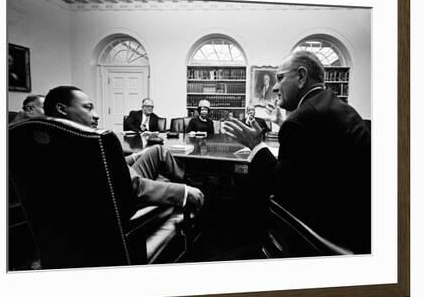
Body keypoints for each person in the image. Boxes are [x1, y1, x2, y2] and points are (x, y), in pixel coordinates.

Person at [223, 51, 370, 254]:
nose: (275, 87)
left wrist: (255, 145)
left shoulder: (302, 119)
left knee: (251, 191)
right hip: (359, 223)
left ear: (301, 77)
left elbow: (280, 188)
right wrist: (282, 123)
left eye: (280, 78)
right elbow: (316, 155)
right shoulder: (336, 106)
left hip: (325, 232)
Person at [43, 86, 205, 211]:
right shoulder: (91, 141)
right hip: (120, 201)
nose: (97, 115)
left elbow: (107, 167)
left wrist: (136, 156)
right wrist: (183, 192)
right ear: (62, 109)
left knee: (157, 150)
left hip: (110, 189)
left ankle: (187, 179)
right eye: (88, 107)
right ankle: (191, 184)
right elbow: (135, 186)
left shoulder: (52, 140)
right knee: (165, 162)